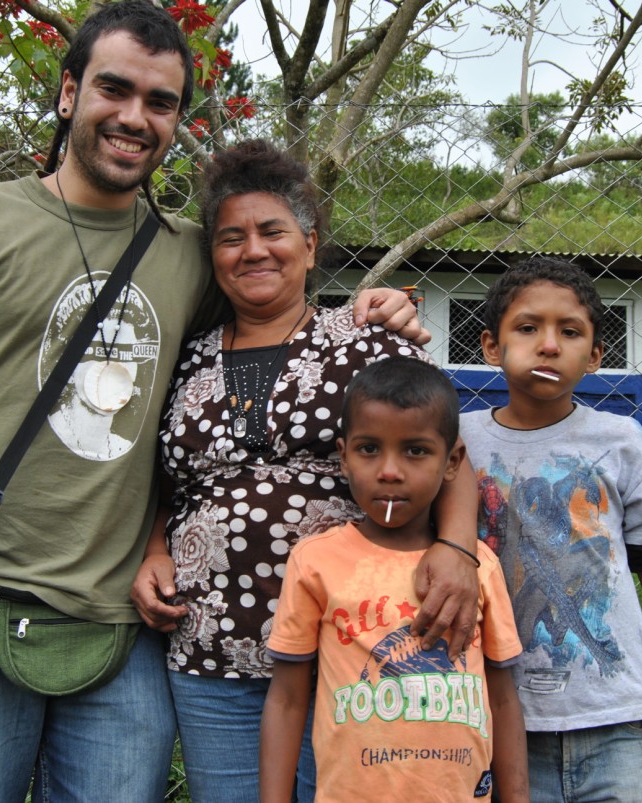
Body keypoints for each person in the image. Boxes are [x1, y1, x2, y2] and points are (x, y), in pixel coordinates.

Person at [0, 4, 426, 801]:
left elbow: (274, 321)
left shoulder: (195, 252)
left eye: (160, 102)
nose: (134, 117)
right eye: (113, 89)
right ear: (67, 93)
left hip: (122, 627)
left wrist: (374, 309)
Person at [130, 140, 483, 802]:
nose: (253, 250)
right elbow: (171, 476)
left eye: (272, 231)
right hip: (213, 647)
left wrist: (457, 549)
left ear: (310, 244)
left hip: (351, 648)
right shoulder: (185, 356)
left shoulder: (365, 341)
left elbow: (450, 455)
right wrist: (154, 547)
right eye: (231, 237)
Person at [461, 256, 642, 801]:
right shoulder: (457, 442)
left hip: (614, 721)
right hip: (494, 719)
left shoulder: (621, 440)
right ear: (492, 346)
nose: (549, 345)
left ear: (596, 356)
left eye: (570, 331)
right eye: (528, 328)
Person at [258, 356, 530, 803]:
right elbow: (287, 700)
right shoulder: (316, 562)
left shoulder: (478, 567)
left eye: (416, 450)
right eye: (369, 449)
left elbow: (502, 699)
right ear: (343, 457)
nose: (389, 470)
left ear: (452, 461)